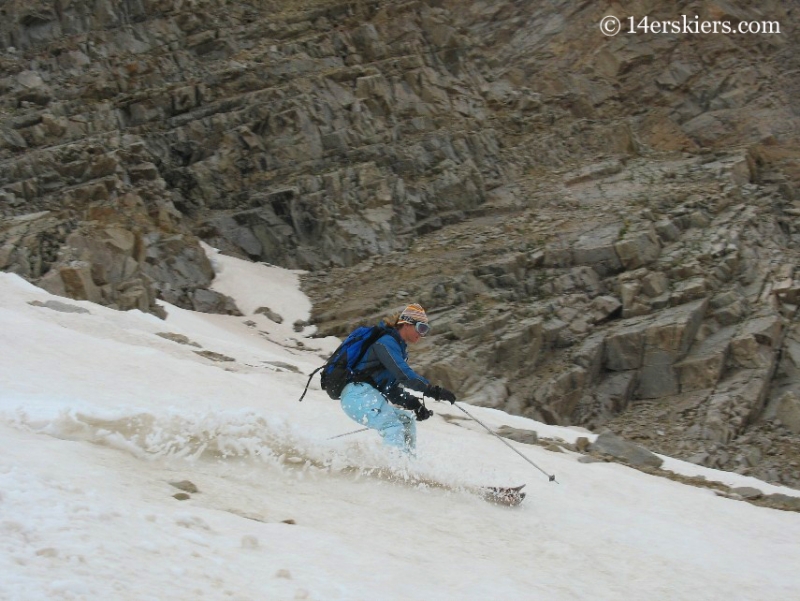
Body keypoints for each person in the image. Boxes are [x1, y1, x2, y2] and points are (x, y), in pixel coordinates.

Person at [339, 303, 457, 455]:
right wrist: (431, 390)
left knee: (406, 421)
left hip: (366, 394)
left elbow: (390, 389)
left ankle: (407, 466)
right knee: (392, 425)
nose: (422, 334)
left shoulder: (397, 347)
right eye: (421, 328)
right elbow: (404, 375)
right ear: (407, 324)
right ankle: (393, 468)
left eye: (425, 330)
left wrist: (414, 404)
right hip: (357, 394)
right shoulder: (386, 343)